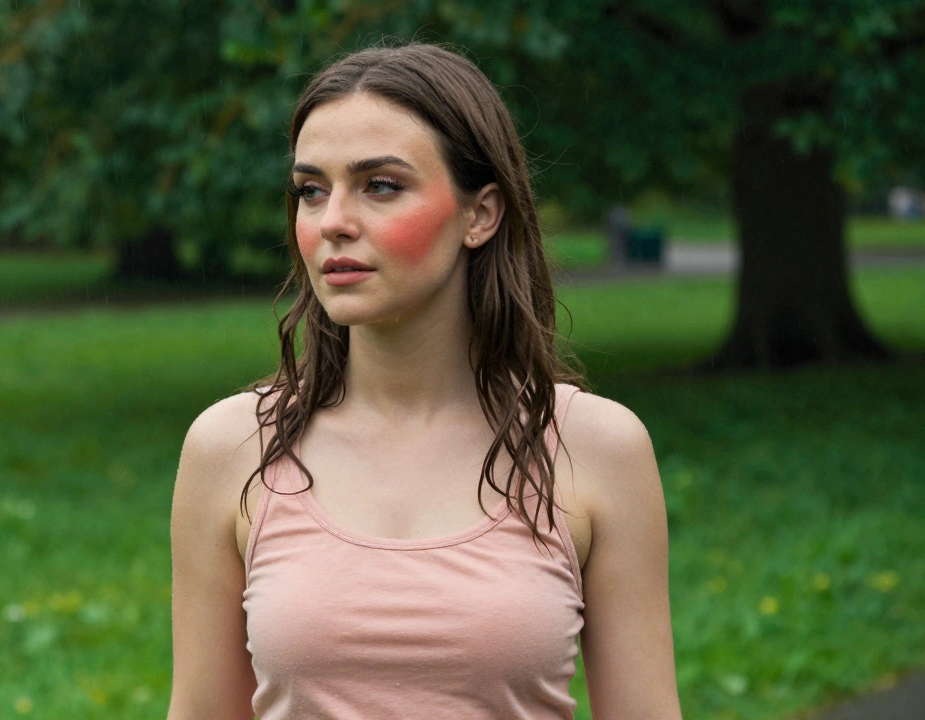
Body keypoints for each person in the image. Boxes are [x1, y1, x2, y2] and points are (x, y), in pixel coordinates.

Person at [169, 42, 681, 719]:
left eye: (381, 186)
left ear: (481, 214)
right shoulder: (232, 449)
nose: (333, 223)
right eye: (311, 190)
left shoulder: (595, 448)